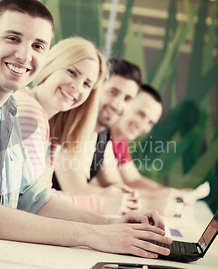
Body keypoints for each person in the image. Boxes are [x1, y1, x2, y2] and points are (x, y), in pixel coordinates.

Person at [0, 0, 172, 260]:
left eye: (37, 45)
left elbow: (32, 197)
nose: (25, 55)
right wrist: (94, 235)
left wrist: (112, 224)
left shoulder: (10, 105)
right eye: (13, 38)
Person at [15, 37, 138, 215]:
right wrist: (98, 204)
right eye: (72, 72)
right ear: (52, 64)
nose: (77, 87)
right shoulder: (30, 114)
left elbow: (40, 195)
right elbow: (33, 203)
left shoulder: (47, 123)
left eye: (87, 84)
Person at [52, 58, 142, 205]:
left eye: (127, 99)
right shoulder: (70, 124)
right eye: (113, 92)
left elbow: (115, 185)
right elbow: (77, 190)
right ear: (95, 89)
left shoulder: (103, 134)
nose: (117, 105)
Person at [111, 84, 193, 216]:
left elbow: (133, 179)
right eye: (140, 114)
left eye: (150, 123)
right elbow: (111, 188)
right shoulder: (102, 135)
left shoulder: (120, 141)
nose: (142, 125)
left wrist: (171, 193)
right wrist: (159, 197)